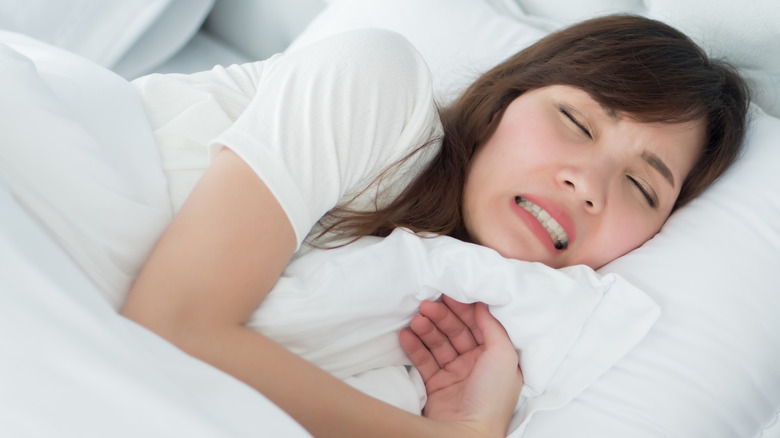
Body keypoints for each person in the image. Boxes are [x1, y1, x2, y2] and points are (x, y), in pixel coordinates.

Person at [122, 14, 749, 438]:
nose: (588, 185)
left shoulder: (456, 352)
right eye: (578, 122)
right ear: (501, 104)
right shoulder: (377, 85)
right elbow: (170, 324)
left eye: (642, 187)